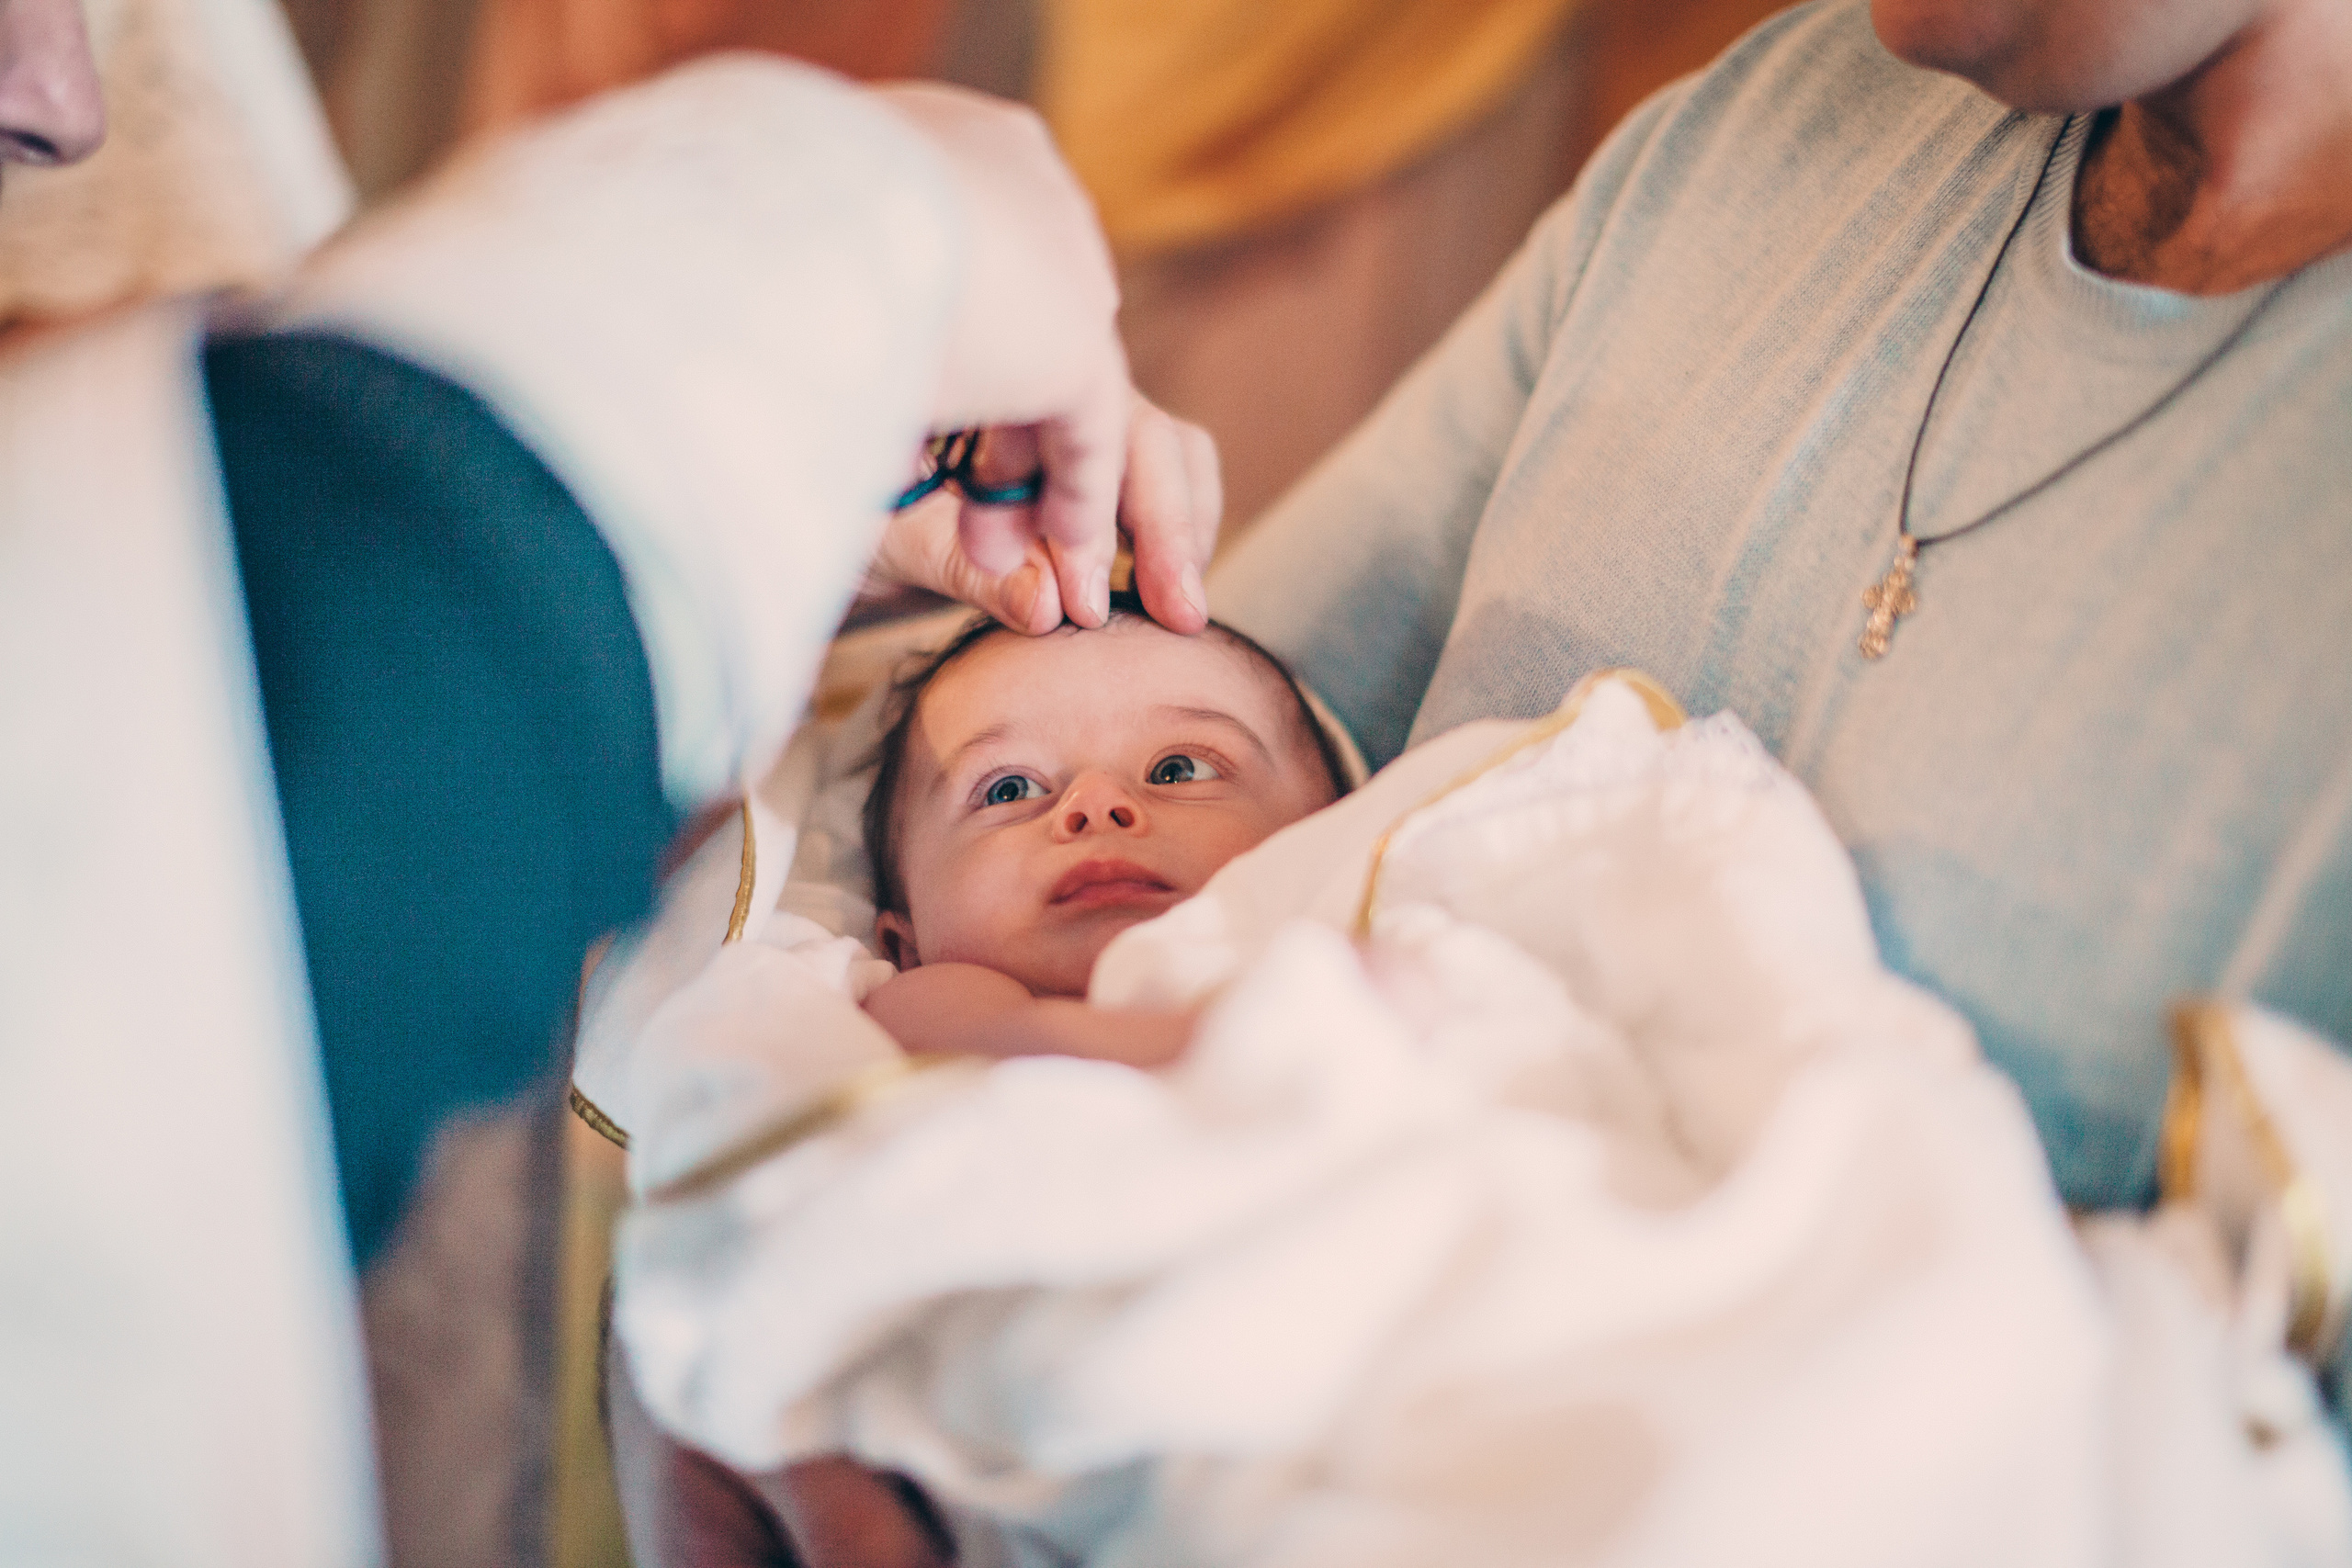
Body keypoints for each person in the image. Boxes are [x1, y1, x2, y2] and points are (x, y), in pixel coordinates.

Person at [0, 14, 1221, 1562]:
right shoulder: (831, 1004)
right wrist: (867, 216)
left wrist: (760, 513)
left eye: (1186, 763)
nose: (64, 102)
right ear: (891, 918)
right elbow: (214, 749)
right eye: (1007, 786)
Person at [857, 592, 1351, 1063]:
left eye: (1179, 771)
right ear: (907, 950)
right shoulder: (939, 1002)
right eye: (1009, 790)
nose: (1095, 804)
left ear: (1336, 837)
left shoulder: (1356, 938)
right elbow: (974, 1039)